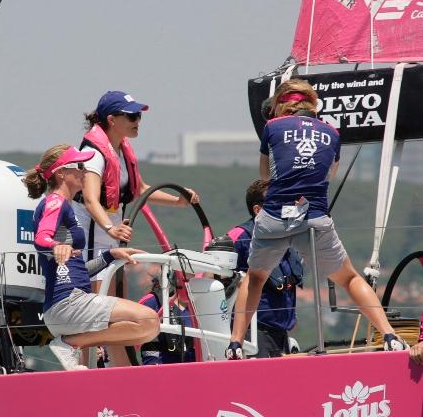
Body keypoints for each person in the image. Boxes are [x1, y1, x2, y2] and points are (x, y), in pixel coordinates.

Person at [226, 79, 408, 359]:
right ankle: (390, 336)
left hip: (274, 216)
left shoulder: (272, 127)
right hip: (314, 218)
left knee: (254, 278)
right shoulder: (332, 133)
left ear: (280, 105)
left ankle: (235, 344)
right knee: (348, 278)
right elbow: (328, 176)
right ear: (313, 104)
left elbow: (265, 177)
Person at [73, 90, 199, 365]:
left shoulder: (121, 151)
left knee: (115, 310)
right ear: (111, 119)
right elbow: (92, 198)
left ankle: (122, 370)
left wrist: (178, 202)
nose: (137, 121)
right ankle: (84, 368)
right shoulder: (92, 153)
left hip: (111, 238)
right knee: (94, 311)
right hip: (93, 242)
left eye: (139, 115)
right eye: (131, 116)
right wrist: (110, 228)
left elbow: (140, 189)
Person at [24, 144, 160, 370]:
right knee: (148, 320)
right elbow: (41, 238)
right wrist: (56, 246)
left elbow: (77, 270)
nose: (84, 170)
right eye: (78, 166)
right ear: (61, 173)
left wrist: (109, 256)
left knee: (147, 330)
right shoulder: (55, 202)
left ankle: (71, 343)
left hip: (69, 302)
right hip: (68, 302)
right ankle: (70, 343)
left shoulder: (64, 205)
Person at [227, 179, 304, 358]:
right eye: (277, 202)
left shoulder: (287, 238)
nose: (284, 207)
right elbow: (211, 275)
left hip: (281, 335)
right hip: (253, 334)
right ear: (258, 210)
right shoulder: (239, 236)